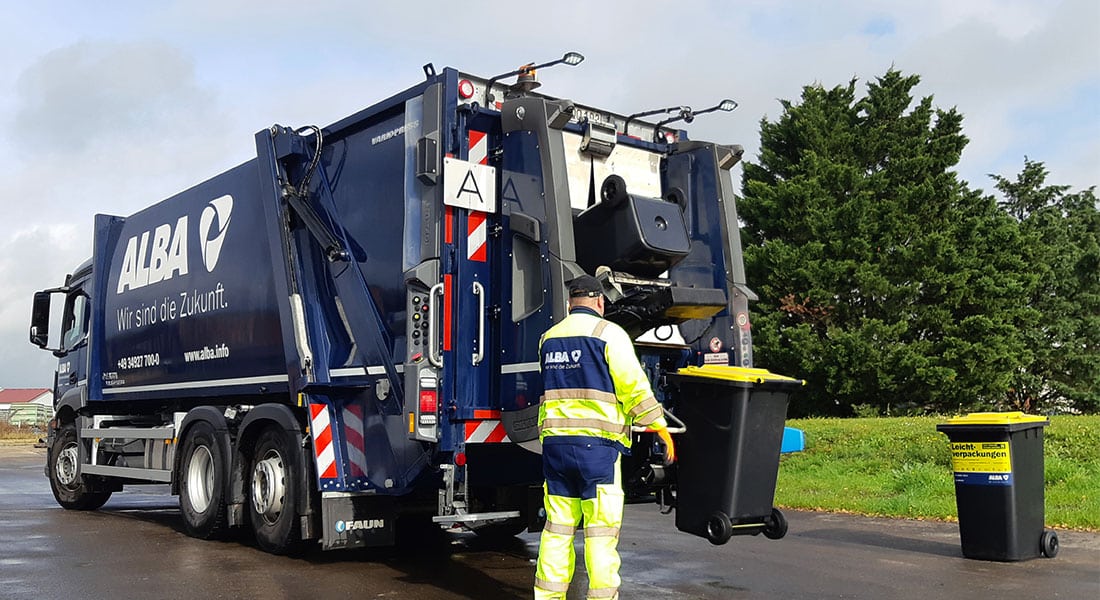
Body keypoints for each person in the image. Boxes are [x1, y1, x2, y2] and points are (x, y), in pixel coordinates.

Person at [534, 274, 677, 600]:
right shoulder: (609, 335)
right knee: (600, 533)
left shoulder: (548, 339)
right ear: (600, 302)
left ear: (570, 304)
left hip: (556, 448)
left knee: (557, 530)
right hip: (596, 451)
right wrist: (658, 425)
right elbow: (632, 386)